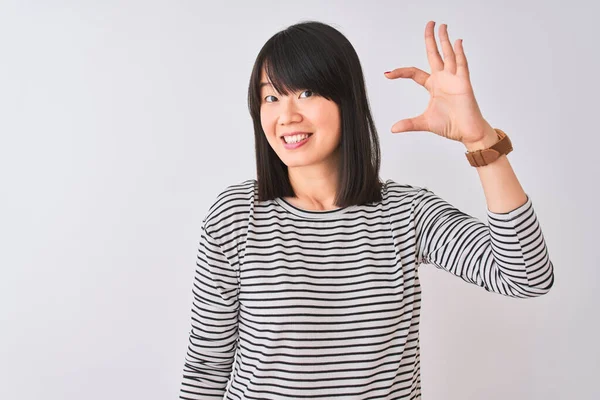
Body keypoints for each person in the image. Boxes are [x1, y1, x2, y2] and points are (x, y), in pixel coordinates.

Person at [179, 20, 554, 399]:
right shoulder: (237, 216)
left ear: (347, 99)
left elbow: (526, 277)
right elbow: (207, 365)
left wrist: (479, 139)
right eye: (271, 97)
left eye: (306, 92)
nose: (286, 115)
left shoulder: (405, 213)